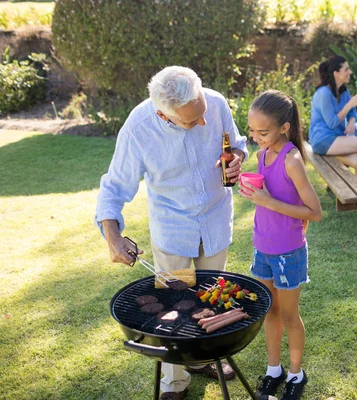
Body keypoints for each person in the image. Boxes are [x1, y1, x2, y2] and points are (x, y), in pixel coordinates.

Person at [94, 66, 248, 400]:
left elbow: (235, 145)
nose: (203, 123)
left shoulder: (215, 103)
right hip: (173, 225)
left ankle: (202, 359)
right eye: (192, 121)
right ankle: (174, 382)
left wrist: (236, 158)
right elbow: (114, 186)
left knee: (210, 296)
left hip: (216, 217)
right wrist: (112, 236)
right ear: (164, 115)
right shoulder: (139, 127)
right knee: (173, 306)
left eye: (202, 113)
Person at [239, 90, 322, 400]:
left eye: (263, 132)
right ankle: (274, 369)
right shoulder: (262, 155)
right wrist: (252, 194)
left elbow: (314, 212)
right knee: (268, 311)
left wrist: (267, 201)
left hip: (288, 252)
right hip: (262, 247)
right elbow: (266, 197)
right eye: (252, 131)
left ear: (284, 128)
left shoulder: (292, 159)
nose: (256, 137)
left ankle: (296, 374)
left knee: (288, 315)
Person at [308, 55, 357, 191]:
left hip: (337, 139)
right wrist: (349, 105)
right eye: (346, 69)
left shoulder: (344, 91)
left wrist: (351, 120)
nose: (350, 72)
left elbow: (353, 113)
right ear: (336, 74)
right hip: (322, 140)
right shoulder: (324, 93)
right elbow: (332, 123)